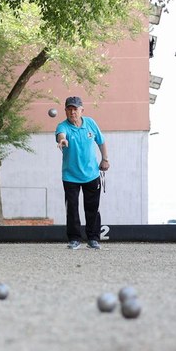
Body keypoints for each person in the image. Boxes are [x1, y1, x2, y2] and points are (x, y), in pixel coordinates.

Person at [55, 96, 110, 249]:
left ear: (82, 110)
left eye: (75, 109)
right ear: (65, 111)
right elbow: (61, 135)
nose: (72, 112)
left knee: (92, 208)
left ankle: (93, 239)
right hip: (70, 176)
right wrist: (62, 140)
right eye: (69, 109)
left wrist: (105, 159)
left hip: (92, 174)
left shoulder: (90, 123)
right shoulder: (62, 126)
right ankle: (74, 239)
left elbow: (101, 141)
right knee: (72, 209)